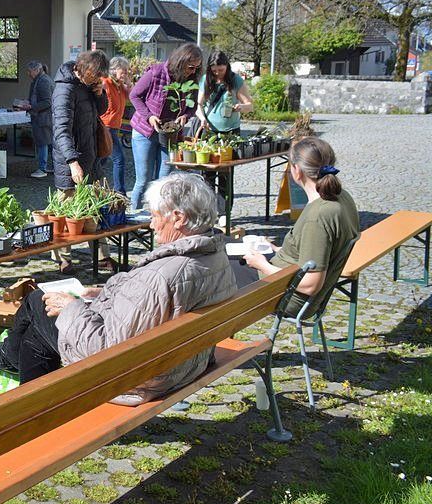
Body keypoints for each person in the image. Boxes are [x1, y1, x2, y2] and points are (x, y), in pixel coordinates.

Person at [0, 173, 236, 397]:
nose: (152, 224)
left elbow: (108, 350)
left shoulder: (161, 275)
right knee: (40, 325)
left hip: (141, 376)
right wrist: (106, 294)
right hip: (186, 362)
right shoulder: (214, 256)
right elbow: (154, 306)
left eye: (155, 216)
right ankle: (17, 370)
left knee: (37, 303)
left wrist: (72, 307)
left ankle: (21, 387)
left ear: (178, 218)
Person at [244, 137, 359, 318]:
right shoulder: (342, 196)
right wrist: (278, 249)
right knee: (227, 249)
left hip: (288, 298)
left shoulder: (318, 217)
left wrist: (262, 266)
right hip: (289, 276)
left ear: (297, 171)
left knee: (219, 269)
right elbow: (318, 249)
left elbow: (310, 285)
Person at [51, 51, 110, 273]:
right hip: (70, 159)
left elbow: (101, 111)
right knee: (66, 211)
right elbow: (61, 130)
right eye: (95, 75)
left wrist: (100, 94)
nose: (97, 79)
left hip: (91, 155)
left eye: (100, 76)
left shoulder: (88, 85)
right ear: (83, 68)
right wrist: (72, 162)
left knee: (95, 207)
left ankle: (102, 255)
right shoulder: (64, 90)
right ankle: (62, 258)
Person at [129, 43, 203, 210]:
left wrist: (185, 116)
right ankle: (134, 217)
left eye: (197, 68)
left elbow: (192, 107)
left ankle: (158, 218)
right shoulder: (156, 73)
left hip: (170, 134)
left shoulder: (191, 81)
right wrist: (149, 116)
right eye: (190, 67)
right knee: (143, 180)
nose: (193, 71)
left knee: (165, 180)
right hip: (145, 132)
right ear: (181, 62)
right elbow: (134, 95)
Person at [195, 50, 254, 217]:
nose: (217, 73)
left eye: (221, 70)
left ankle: (223, 214)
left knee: (225, 175)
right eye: (214, 70)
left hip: (230, 134)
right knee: (207, 175)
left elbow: (250, 105)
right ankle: (208, 212)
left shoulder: (235, 80)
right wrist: (202, 118)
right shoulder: (206, 80)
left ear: (227, 66)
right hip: (209, 132)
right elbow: (199, 105)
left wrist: (241, 107)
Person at [100, 57, 132, 195]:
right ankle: (120, 192)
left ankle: (91, 182)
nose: (125, 73)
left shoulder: (120, 86)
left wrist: (128, 83)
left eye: (127, 70)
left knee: (101, 159)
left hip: (114, 126)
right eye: (123, 70)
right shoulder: (105, 82)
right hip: (106, 126)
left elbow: (132, 97)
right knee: (119, 159)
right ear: (113, 70)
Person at [20, 60, 53, 178]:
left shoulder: (43, 81)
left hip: (43, 118)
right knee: (48, 143)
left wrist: (31, 107)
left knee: (43, 142)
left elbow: (47, 102)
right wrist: (27, 103)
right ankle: (52, 167)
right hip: (42, 117)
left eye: (30, 71)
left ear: (37, 70)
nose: (28, 74)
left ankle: (42, 169)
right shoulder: (40, 80)